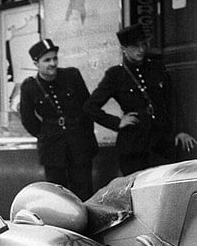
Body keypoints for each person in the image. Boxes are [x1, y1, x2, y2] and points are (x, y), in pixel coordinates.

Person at [84, 23, 197, 175]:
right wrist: (118, 122)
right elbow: (90, 107)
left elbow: (172, 102)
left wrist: (181, 130)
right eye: (135, 46)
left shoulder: (156, 68)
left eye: (143, 44)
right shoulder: (115, 75)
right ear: (123, 49)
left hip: (161, 143)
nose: (141, 50)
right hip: (133, 146)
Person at [19, 39, 98, 200]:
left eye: (55, 58)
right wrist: (46, 134)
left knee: (84, 190)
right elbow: (28, 120)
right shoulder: (29, 87)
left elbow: (87, 109)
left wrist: (87, 139)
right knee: (58, 195)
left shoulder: (72, 76)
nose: (53, 63)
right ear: (36, 63)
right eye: (47, 60)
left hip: (79, 143)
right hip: (52, 148)